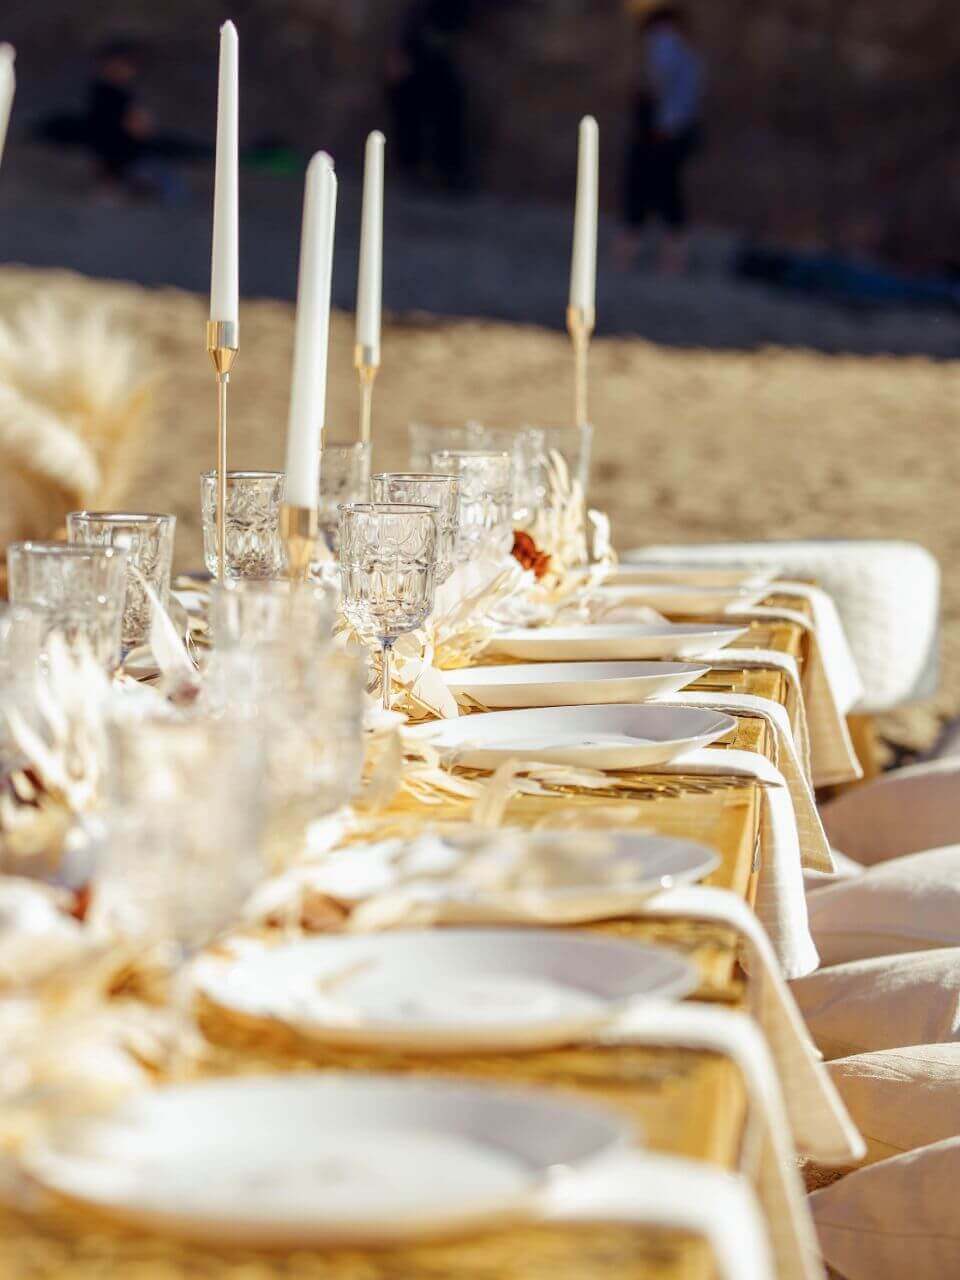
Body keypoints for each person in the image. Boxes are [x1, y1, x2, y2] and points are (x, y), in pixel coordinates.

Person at [618, 3, 704, 273]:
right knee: (666, 193)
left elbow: (657, 85)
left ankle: (643, 255)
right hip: (672, 132)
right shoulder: (688, 53)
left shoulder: (665, 44)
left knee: (650, 191)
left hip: (661, 133)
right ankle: (667, 257)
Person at [386, 0, 473, 192]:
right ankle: (415, 170)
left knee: (448, 112)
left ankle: (447, 172)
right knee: (411, 112)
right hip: (418, 55)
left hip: (434, 56)